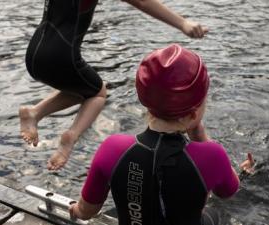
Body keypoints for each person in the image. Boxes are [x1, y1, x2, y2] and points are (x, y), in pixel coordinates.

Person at [69, 44, 240, 225]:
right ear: (193, 114)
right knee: (212, 213)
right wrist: (200, 136)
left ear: (145, 100)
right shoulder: (212, 155)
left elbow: (86, 211)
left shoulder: (112, 148)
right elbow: (230, 189)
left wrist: (74, 209)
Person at [19, 0, 209, 170]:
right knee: (98, 94)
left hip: (34, 54)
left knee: (83, 90)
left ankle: (35, 112)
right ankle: (70, 137)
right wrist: (183, 23)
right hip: (61, 57)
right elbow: (142, 2)